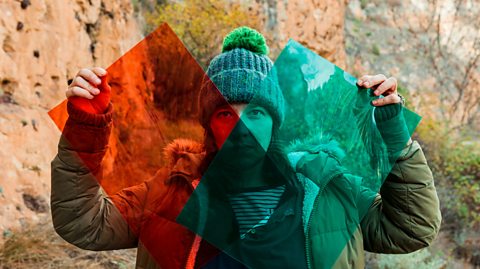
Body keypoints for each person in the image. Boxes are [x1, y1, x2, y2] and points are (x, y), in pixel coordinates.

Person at [51, 26, 441, 269]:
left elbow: (412, 228)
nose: (240, 128)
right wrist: (87, 126)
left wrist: (394, 138)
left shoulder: (328, 189)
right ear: (208, 126)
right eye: (224, 114)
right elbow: (84, 224)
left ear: (275, 121)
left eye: (254, 114)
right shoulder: (170, 190)